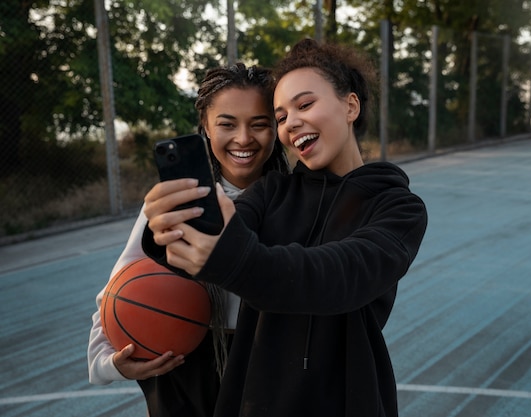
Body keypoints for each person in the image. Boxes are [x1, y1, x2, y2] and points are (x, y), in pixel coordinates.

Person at [142, 38, 428, 417]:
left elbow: (338, 277)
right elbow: (217, 237)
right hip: (253, 401)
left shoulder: (398, 208)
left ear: (351, 105)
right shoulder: (271, 191)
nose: (291, 122)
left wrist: (236, 258)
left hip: (346, 401)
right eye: (280, 117)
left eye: (305, 104)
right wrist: (171, 229)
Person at [87, 63, 290, 417]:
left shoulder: (295, 198)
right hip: (186, 366)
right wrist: (110, 364)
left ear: (277, 128)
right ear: (205, 129)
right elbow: (119, 290)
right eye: (227, 124)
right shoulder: (177, 200)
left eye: (259, 124)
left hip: (268, 364)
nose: (243, 138)